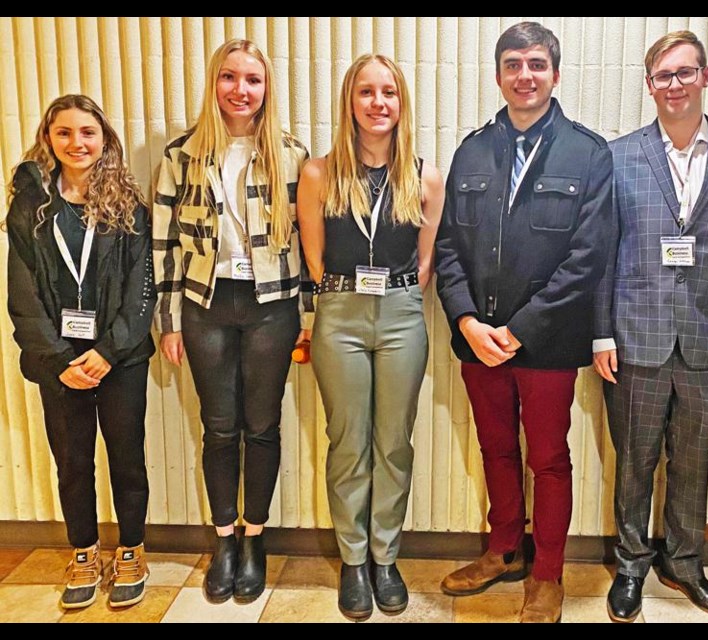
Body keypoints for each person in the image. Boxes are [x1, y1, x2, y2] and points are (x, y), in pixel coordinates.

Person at [435, 21, 613, 624]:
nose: (525, 75)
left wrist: (522, 328)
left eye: (536, 64)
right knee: (495, 449)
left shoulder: (588, 153)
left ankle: (547, 574)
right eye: (513, 64)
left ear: (555, 74)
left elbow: (589, 255)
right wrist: (465, 321)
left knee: (548, 459)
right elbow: (451, 249)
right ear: (498, 75)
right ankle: (504, 549)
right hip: (478, 341)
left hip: (548, 343)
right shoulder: (472, 150)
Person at [594, 30, 708, 622]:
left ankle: (687, 563)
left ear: (705, 76)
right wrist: (600, 333)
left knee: (694, 461)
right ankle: (630, 563)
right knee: (635, 459)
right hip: (634, 339)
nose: (675, 84)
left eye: (685, 73)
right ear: (649, 86)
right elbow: (602, 253)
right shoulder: (617, 157)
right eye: (663, 75)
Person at [153, 39, 312, 604]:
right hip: (205, 305)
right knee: (219, 427)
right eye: (229, 77)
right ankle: (225, 540)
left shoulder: (292, 155)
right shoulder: (181, 156)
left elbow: (309, 246)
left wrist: (309, 317)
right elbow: (164, 244)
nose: (240, 90)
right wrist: (168, 320)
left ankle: (256, 538)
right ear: (214, 84)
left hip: (272, 305)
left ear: (267, 89)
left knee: (262, 426)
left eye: (252, 80)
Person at [297, 53, 444, 621]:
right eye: (366, 92)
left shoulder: (424, 176)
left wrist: (400, 289)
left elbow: (426, 264)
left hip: (403, 313)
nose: (378, 103)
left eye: (389, 93)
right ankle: (353, 560)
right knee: (348, 442)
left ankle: (387, 557)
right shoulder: (319, 173)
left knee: (394, 442)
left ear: (401, 103)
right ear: (349, 102)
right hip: (340, 314)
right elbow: (314, 259)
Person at [6, 94, 156, 609]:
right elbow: (21, 293)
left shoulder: (129, 205)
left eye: (87, 132)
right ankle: (85, 553)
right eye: (64, 132)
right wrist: (57, 360)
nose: (77, 143)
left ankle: (132, 551)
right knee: (72, 462)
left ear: (104, 139)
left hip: (120, 359)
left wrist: (110, 352)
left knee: (127, 459)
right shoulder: (30, 207)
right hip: (61, 364)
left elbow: (143, 289)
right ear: (48, 138)